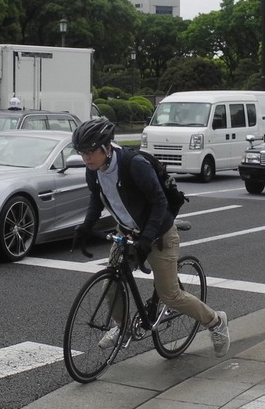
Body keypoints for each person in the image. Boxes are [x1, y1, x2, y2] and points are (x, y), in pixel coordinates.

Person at [71, 118, 230, 358]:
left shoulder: (134, 164)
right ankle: (122, 328)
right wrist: (86, 226)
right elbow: (96, 199)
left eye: (89, 152)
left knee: (170, 295)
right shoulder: (93, 171)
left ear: (105, 147)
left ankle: (216, 321)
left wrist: (147, 237)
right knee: (110, 284)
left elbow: (159, 202)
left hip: (159, 235)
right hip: (127, 231)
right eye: (81, 153)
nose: (85, 158)